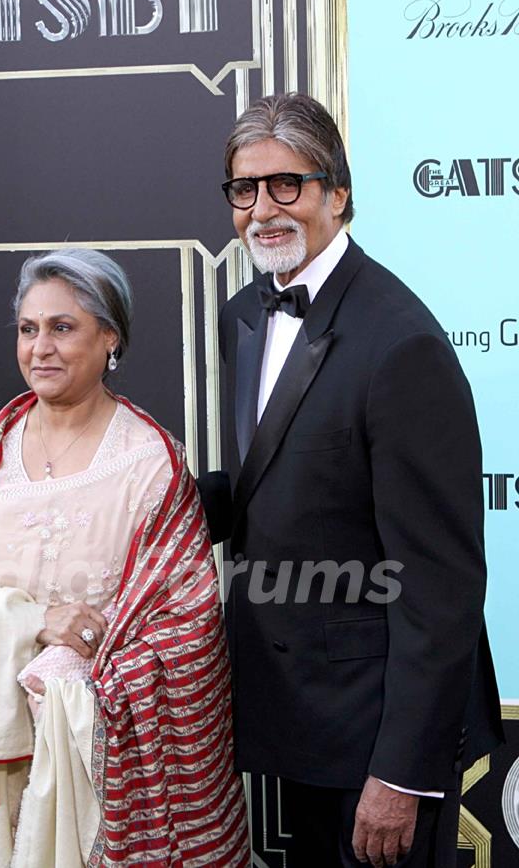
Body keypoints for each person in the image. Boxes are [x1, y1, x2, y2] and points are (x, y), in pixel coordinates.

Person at [201, 93, 503, 868]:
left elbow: (441, 583)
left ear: (337, 192)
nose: (263, 209)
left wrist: (399, 774)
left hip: (376, 738)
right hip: (293, 714)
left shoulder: (401, 344)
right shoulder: (243, 316)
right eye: (245, 188)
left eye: (286, 185)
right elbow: (284, 481)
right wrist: (160, 500)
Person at [0, 249, 249, 867]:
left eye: (63, 328)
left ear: (110, 337)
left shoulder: (149, 463)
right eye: (29, 330)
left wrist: (77, 684)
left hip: (101, 753)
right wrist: (31, 625)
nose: (40, 348)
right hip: (0, 747)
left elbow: (184, 627)